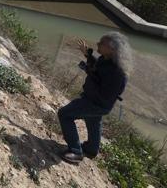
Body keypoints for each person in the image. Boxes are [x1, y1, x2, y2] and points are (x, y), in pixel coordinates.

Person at [57, 32, 132, 164]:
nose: (97, 44)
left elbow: (104, 91)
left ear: (112, 49)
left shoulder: (117, 72)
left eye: (101, 43)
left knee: (65, 114)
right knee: (93, 121)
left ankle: (75, 151)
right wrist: (88, 56)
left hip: (96, 103)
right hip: (96, 102)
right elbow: (98, 68)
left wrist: (90, 73)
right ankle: (91, 149)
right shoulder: (106, 59)